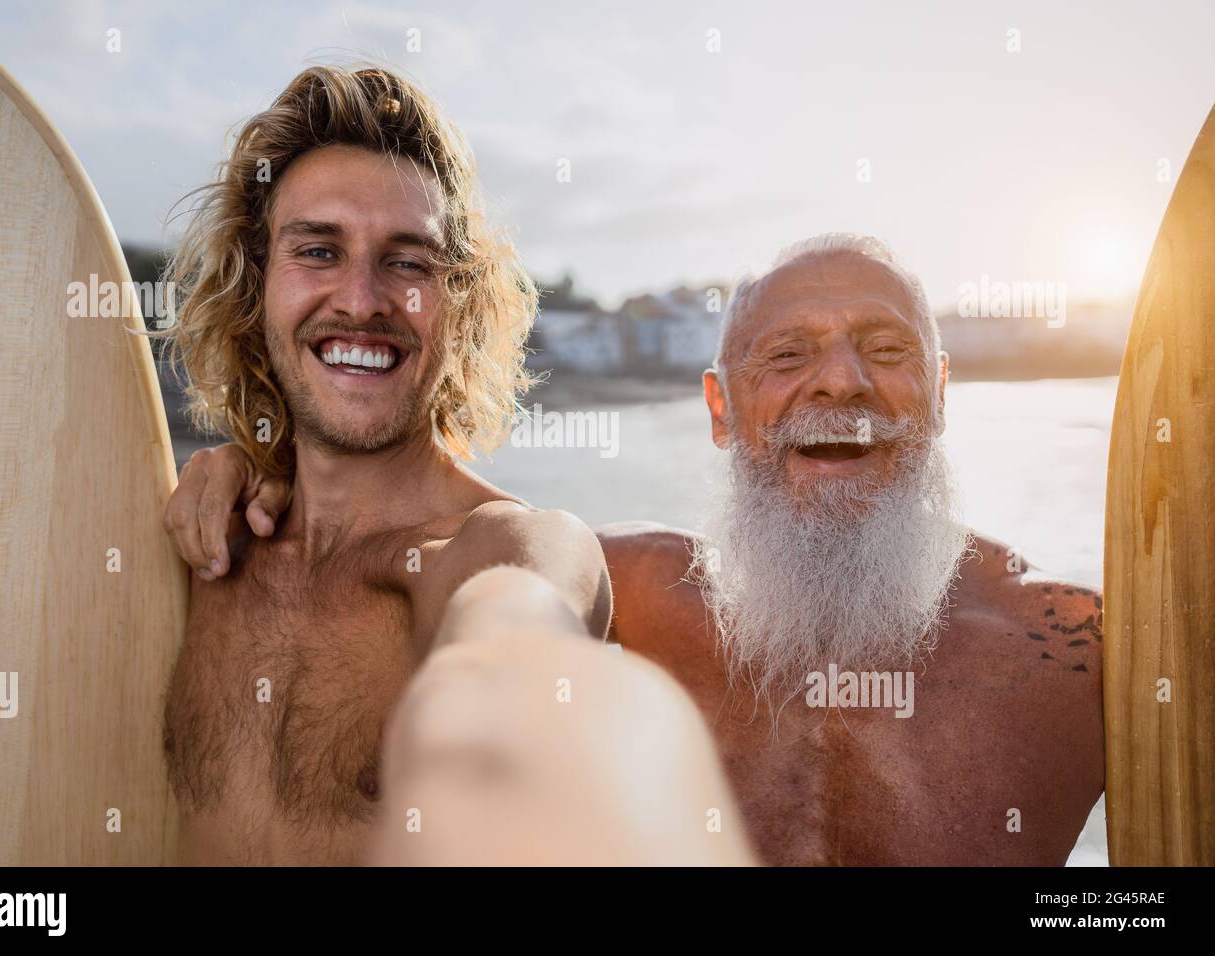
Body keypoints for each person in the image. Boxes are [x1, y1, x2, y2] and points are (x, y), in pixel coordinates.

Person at [175, 233, 1105, 865]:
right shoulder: (619, 594)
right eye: (787, 356)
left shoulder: (1075, 656)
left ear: (941, 393)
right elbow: (413, 545)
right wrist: (268, 475)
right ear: (719, 410)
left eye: (886, 349)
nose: (840, 381)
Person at [158, 64, 751, 865]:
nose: (362, 299)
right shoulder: (202, 544)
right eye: (319, 250)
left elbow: (518, 647)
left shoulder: (502, 546)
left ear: (462, 302)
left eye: (408, 263)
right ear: (257, 284)